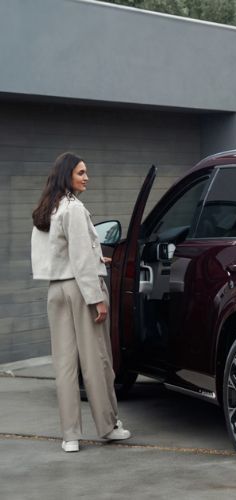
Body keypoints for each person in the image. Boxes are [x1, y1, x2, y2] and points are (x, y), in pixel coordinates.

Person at [31, 152, 132, 452]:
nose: (86, 177)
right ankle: (108, 426)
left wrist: (92, 255)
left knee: (64, 365)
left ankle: (70, 436)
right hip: (79, 288)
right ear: (67, 176)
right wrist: (96, 298)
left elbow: (61, 252)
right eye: (81, 172)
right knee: (97, 361)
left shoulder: (46, 208)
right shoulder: (73, 208)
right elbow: (78, 257)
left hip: (56, 291)